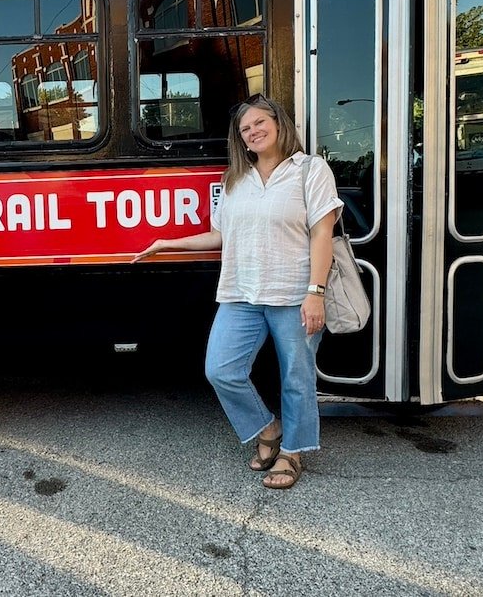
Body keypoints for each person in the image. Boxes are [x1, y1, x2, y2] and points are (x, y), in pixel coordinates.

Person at [132, 94, 342, 489]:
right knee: (221, 369)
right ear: (241, 140)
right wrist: (167, 243)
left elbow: (322, 232)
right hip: (241, 293)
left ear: (279, 125)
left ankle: (292, 453)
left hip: (293, 293)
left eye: (260, 122)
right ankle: (267, 429)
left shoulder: (310, 170)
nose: (254, 131)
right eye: (246, 129)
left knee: (296, 377)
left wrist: (315, 291)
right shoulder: (233, 180)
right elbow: (220, 235)